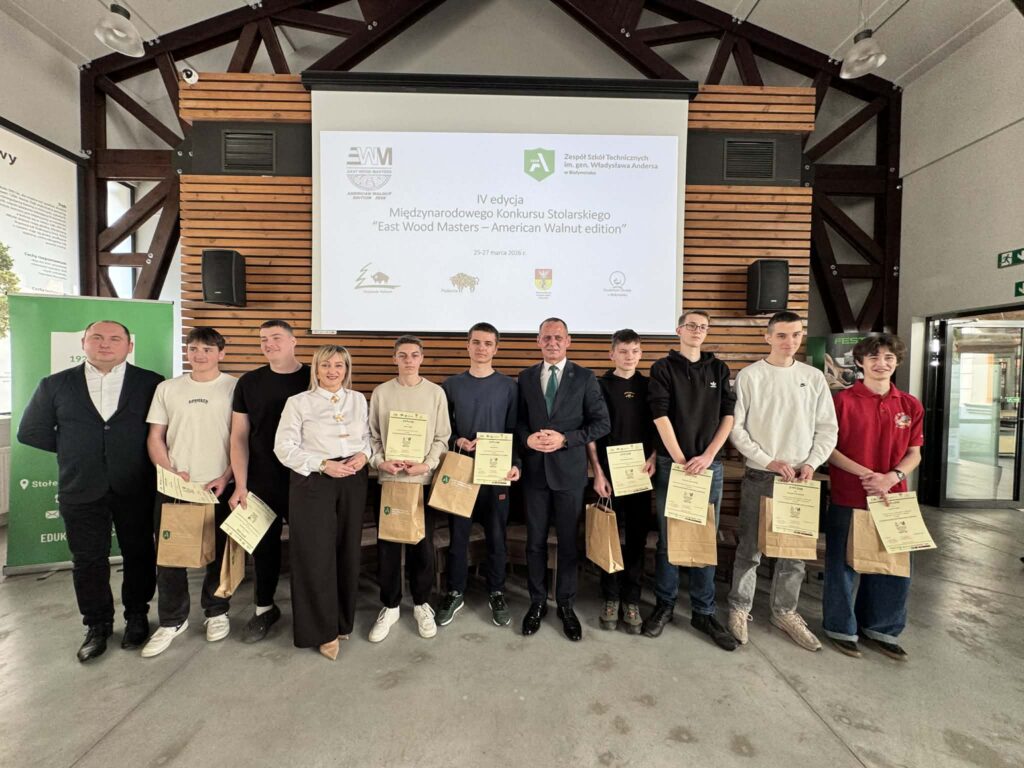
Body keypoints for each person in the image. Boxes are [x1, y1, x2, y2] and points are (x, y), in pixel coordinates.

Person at [18, 320, 163, 662]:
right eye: (96, 337)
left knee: (139, 552)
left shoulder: (151, 383)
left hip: (135, 484)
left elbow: (164, 430)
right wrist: (76, 449)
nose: (105, 344)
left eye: (114, 338)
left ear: (129, 346)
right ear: (83, 343)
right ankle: (97, 625)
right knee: (87, 559)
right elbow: (30, 431)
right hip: (81, 485)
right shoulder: (55, 384)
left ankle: (137, 616)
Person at [726, 311, 838, 651]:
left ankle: (785, 611)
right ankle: (739, 607)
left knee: (795, 553)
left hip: (801, 478)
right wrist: (767, 460)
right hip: (761, 473)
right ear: (768, 337)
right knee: (750, 548)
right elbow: (736, 429)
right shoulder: (750, 376)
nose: (789, 341)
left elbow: (827, 428)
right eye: (782, 335)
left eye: (795, 335)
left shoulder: (813, 377)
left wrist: (813, 462)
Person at [824, 334, 923, 660]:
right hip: (850, 493)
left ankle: (883, 629)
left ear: (897, 362)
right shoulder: (842, 401)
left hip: (894, 496)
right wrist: (868, 476)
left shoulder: (909, 404)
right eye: (874, 358)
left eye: (889, 358)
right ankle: (840, 627)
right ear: (860, 362)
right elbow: (828, 449)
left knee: (893, 566)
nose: (882, 364)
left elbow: (915, 452)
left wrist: (892, 477)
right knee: (842, 564)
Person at [644, 311, 738, 651]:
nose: (697, 331)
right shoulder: (662, 368)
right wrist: (681, 460)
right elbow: (660, 416)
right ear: (678, 330)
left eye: (703, 327)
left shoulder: (719, 369)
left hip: (709, 467)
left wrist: (709, 456)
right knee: (669, 539)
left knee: (704, 540)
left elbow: (728, 416)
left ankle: (703, 611)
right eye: (691, 326)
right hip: (674, 464)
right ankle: (665, 604)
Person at [141, 327, 237, 658]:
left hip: (219, 485)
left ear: (221, 353)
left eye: (207, 349)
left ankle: (217, 611)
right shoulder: (168, 388)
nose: (199, 355)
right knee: (170, 557)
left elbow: (241, 439)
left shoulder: (234, 387)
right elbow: (155, 437)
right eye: (193, 348)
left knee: (220, 553)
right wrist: (169, 472)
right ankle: (172, 620)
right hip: (176, 486)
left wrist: (227, 475)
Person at [516, 317, 610, 641]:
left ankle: (566, 605)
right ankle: (537, 602)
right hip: (535, 475)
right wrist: (527, 439)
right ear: (538, 341)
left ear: (568, 341)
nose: (552, 342)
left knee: (569, 543)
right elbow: (518, 422)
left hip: (569, 475)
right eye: (546, 337)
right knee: (535, 543)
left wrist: (566, 439)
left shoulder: (584, 377)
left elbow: (601, 424)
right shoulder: (526, 377)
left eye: (558, 337)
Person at [274, 345, 370, 660]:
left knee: (347, 551)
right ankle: (321, 631)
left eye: (339, 365)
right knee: (315, 556)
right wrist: (322, 464)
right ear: (315, 369)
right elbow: (283, 447)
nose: (332, 371)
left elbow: (368, 438)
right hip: (314, 480)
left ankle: (341, 621)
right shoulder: (298, 402)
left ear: (347, 370)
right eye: (326, 365)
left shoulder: (358, 400)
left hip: (352, 479)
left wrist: (364, 455)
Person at [229, 320, 310, 643]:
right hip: (262, 480)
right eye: (263, 339)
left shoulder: (313, 378)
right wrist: (240, 484)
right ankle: (264, 608)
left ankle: (310, 610)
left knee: (308, 547)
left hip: (306, 479)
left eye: (276, 337)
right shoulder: (249, 382)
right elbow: (239, 436)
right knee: (264, 549)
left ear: (293, 342)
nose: (269, 344)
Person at [368, 335, 451, 642]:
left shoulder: (435, 393)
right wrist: (381, 462)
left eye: (414, 355)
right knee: (388, 546)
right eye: (402, 355)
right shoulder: (381, 393)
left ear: (421, 358)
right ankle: (390, 606)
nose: (408, 360)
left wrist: (427, 465)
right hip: (389, 480)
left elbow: (442, 437)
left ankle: (421, 603)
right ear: (394, 359)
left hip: (421, 482)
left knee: (422, 546)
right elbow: (372, 436)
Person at [436, 322, 520, 628]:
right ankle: (455, 591)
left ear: (496, 348)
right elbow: (442, 430)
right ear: (468, 345)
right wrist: (456, 440)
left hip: (496, 472)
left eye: (487, 343)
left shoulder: (509, 387)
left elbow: (514, 430)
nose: (481, 348)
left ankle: (496, 591)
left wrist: (516, 463)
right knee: (458, 536)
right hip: (461, 469)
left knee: (497, 536)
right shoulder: (451, 385)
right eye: (476, 342)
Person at [587, 329, 655, 635]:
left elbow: (660, 426)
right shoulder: (598, 386)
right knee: (608, 535)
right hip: (609, 476)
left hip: (640, 473)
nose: (630, 357)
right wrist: (598, 472)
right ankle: (610, 597)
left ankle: (632, 600)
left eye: (635, 351)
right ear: (611, 354)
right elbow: (591, 431)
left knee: (637, 538)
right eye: (623, 351)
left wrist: (653, 456)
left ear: (640, 354)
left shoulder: (649, 386)